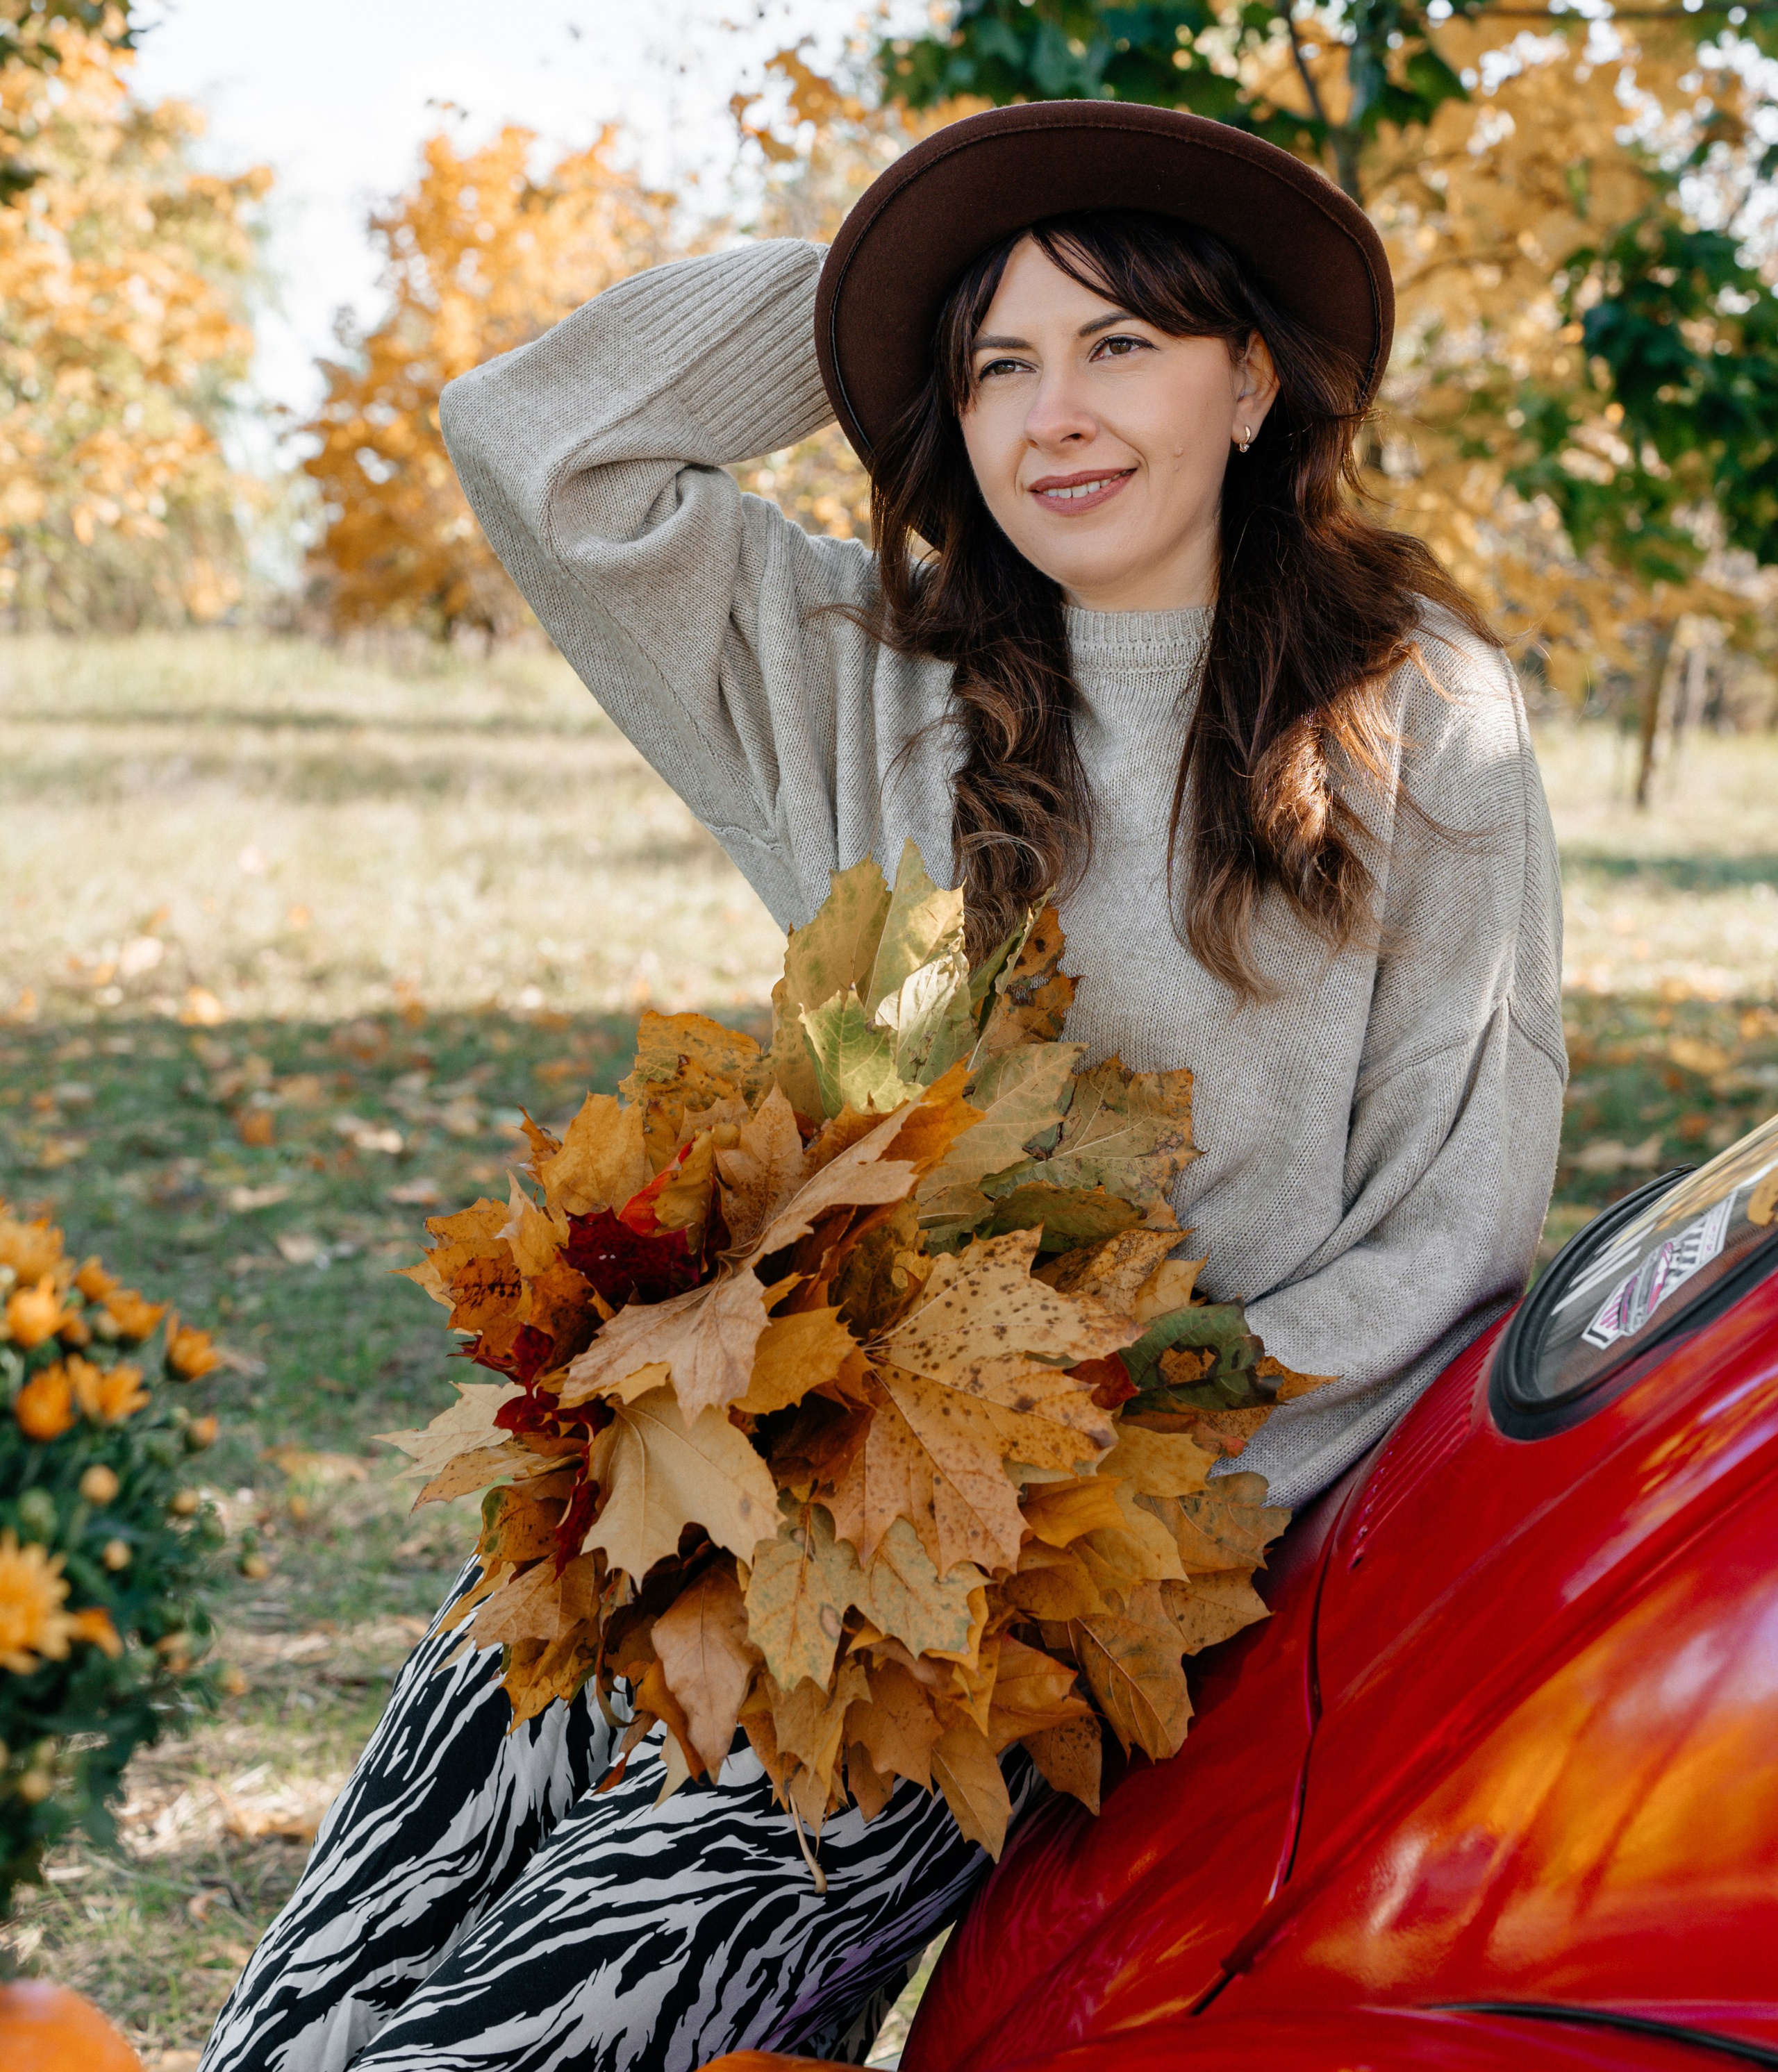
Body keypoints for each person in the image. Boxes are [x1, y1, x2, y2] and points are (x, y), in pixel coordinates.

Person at [201, 102, 1564, 2072]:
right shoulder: (875, 668)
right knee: (342, 1968)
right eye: (998, 363)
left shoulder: (1421, 708)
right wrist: (887, 278)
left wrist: (1085, 1475)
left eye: (1123, 345)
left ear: (1254, 378)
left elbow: (1453, 1222)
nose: (1055, 416)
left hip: (1041, 1584)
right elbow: (535, 442)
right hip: (732, 1473)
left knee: (562, 2018)